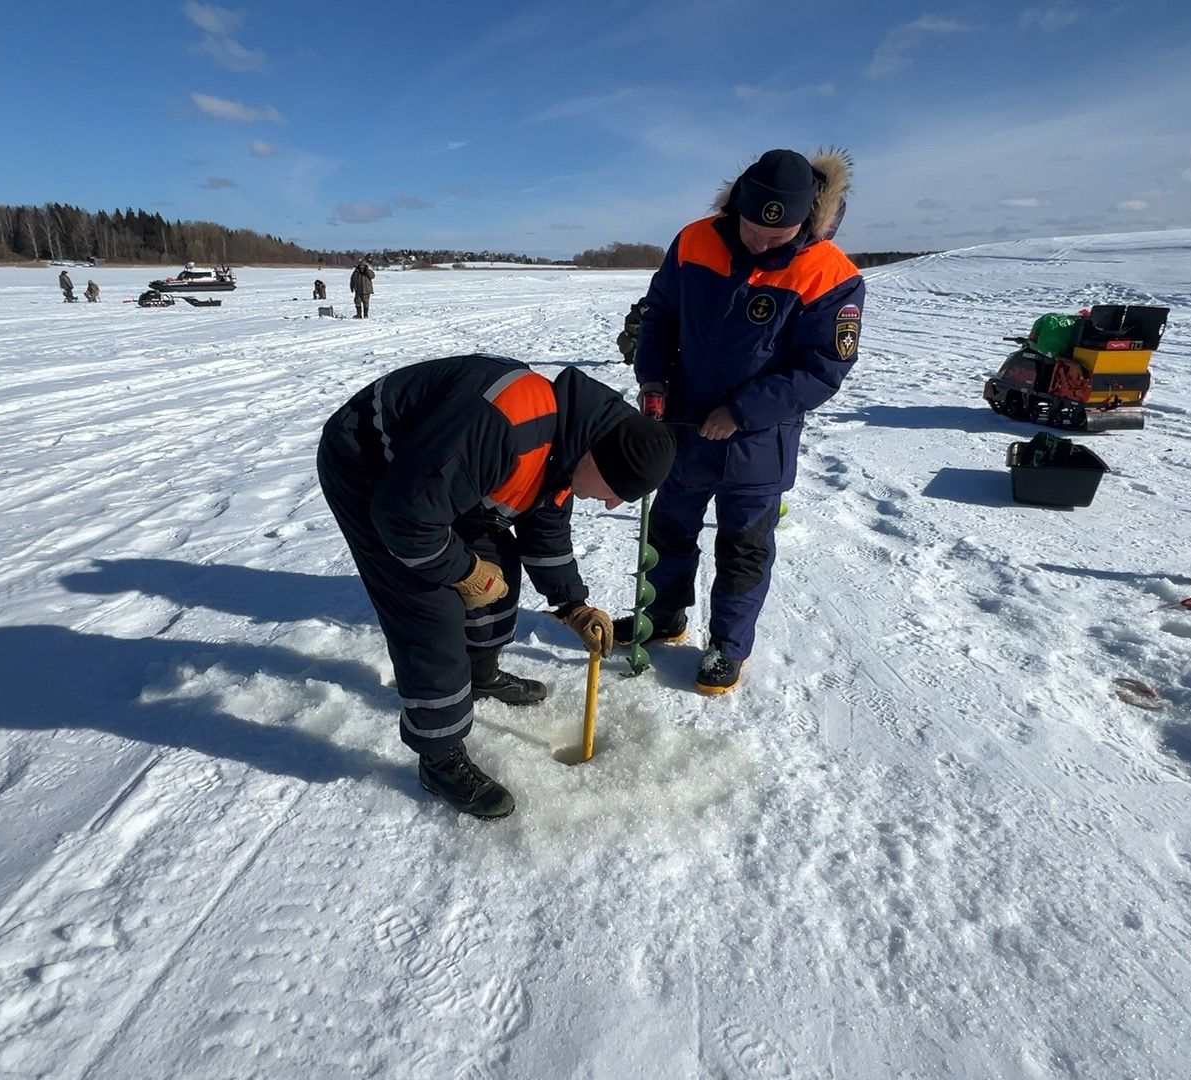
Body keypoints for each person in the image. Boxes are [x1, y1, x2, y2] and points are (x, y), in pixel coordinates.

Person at [317, 354, 676, 818]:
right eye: (615, 490)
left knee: (498, 562)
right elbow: (404, 518)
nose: (610, 505)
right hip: (370, 467)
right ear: (597, 459)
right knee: (429, 604)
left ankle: (480, 674)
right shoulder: (512, 423)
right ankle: (439, 758)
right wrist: (462, 572)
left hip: (431, 480)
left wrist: (572, 604)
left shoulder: (571, 443)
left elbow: (544, 528)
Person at [624, 148, 864, 695]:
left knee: (743, 549)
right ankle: (663, 618)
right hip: (682, 429)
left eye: (776, 237)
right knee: (668, 531)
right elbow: (660, 312)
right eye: (751, 229)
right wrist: (653, 377)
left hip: (757, 444)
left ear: (807, 220)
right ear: (736, 207)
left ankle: (727, 648)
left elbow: (822, 369)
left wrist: (741, 411)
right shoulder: (695, 239)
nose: (758, 243)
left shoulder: (833, 276)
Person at [614, 295, 648, 364]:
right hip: (636, 337)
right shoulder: (632, 315)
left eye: (646, 308)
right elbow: (629, 327)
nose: (645, 309)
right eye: (643, 307)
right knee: (626, 339)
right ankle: (628, 360)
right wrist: (642, 328)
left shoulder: (656, 315)